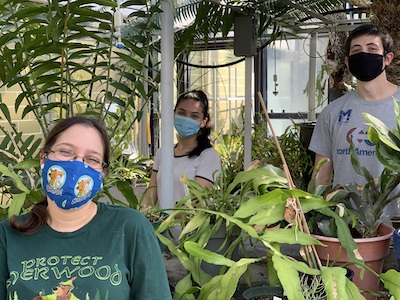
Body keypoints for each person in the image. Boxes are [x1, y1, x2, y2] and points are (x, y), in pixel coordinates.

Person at [0, 116, 172, 300]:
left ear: (102, 173)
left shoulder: (130, 228)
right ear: (43, 158)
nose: (77, 165)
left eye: (91, 159)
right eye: (66, 152)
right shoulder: (8, 235)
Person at [309, 24, 400, 217]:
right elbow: (321, 178)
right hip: (345, 232)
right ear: (348, 62)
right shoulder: (332, 113)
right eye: (357, 51)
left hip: (395, 232)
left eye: (372, 49)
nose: (364, 54)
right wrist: (315, 219)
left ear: (388, 58)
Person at [143, 90, 221, 208]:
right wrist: (141, 216)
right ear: (174, 114)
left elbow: (195, 201)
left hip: (188, 225)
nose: (186, 119)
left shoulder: (209, 156)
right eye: (182, 113)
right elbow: (150, 195)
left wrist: (165, 218)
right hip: (160, 224)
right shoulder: (163, 153)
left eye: (194, 116)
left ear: (203, 121)